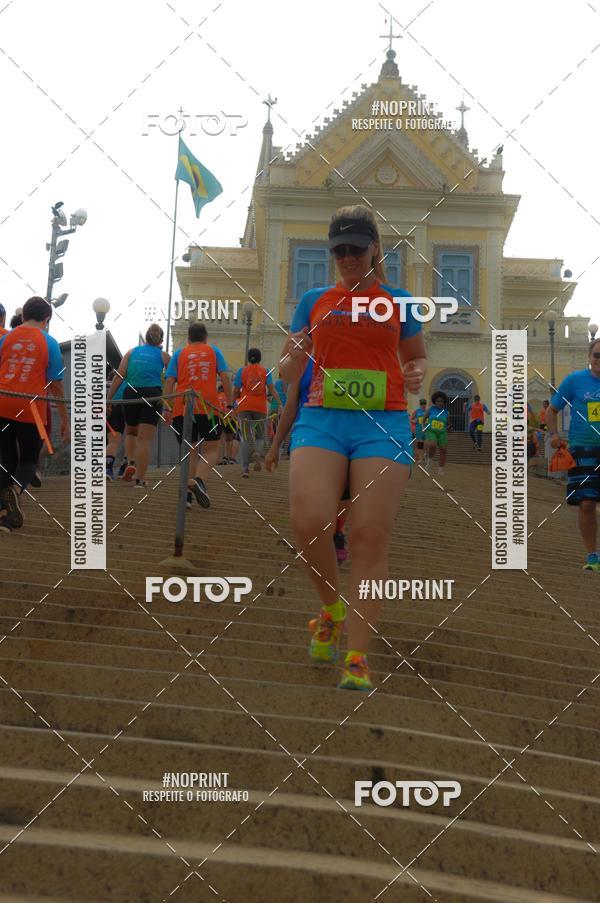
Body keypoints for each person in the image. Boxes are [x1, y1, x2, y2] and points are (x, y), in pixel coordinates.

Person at [279, 204, 427, 691]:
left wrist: (415, 374)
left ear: (374, 249)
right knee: (309, 522)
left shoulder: (399, 301)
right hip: (322, 419)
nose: (346, 257)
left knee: (368, 536)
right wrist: (292, 359)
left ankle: (358, 654)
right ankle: (330, 609)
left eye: (355, 249)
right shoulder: (314, 300)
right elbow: (289, 368)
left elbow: (416, 357)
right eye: (338, 250)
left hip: (382, 424)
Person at [266, 360, 350, 564]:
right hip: (311, 440)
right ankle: (322, 532)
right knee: (315, 495)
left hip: (347, 437)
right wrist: (275, 445)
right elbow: (290, 408)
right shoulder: (304, 366)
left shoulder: (354, 359)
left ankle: (337, 531)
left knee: (345, 493)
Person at [0, 296, 69, 531]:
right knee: (29, 459)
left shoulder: (6, 338)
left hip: (2, 404)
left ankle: (4, 518)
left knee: (6, 460)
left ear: (24, 315)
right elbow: (56, 385)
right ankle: (16, 490)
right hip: (32, 410)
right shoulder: (49, 342)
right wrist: (65, 421)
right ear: (46, 319)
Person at [164, 320, 232, 509]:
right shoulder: (214, 351)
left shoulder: (179, 354)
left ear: (188, 338)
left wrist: (166, 408)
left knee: (189, 451)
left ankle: (186, 496)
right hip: (208, 408)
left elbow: (169, 382)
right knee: (212, 448)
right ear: (205, 338)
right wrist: (230, 403)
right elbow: (225, 377)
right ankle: (199, 480)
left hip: (182, 407)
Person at [546, 338, 600, 571]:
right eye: (597, 355)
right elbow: (552, 409)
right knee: (587, 503)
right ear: (589, 357)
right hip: (582, 450)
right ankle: (592, 556)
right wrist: (554, 434)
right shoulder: (575, 381)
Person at [107, 324, 170, 489]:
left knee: (131, 432)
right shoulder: (164, 356)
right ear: (161, 340)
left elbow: (119, 375)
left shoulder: (131, 352)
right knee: (145, 439)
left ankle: (131, 461)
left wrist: (108, 399)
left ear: (146, 338)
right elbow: (171, 380)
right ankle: (140, 480)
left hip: (131, 393)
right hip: (152, 394)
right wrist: (170, 405)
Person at [234, 348, 282, 478]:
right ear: (260, 358)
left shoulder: (241, 371)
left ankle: (245, 468)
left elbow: (235, 390)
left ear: (248, 358)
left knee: (245, 437)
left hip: (244, 407)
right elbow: (271, 389)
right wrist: (280, 404)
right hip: (260, 408)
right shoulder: (265, 371)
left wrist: (232, 405)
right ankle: (257, 452)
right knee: (260, 436)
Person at [423, 391, 450, 475]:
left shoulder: (446, 412)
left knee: (443, 450)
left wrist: (449, 428)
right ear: (435, 401)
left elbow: (448, 424)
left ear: (444, 402)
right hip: (431, 431)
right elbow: (424, 419)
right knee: (432, 445)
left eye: (441, 401)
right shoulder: (430, 409)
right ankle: (430, 460)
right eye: (438, 401)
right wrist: (423, 427)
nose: (439, 403)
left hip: (442, 433)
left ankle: (441, 469)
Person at [217, 380, 238, 465]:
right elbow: (235, 409)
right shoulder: (231, 397)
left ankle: (220, 459)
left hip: (220, 419)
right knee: (229, 440)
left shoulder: (217, 396)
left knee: (220, 440)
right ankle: (227, 457)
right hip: (230, 419)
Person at [410, 398, 428, 463]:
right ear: (420, 404)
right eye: (421, 404)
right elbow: (411, 419)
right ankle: (420, 459)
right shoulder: (417, 411)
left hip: (426, 430)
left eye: (424, 403)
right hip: (418, 430)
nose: (423, 405)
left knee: (426, 445)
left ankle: (425, 458)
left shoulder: (428, 411)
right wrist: (414, 421)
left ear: (426, 404)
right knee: (420, 444)